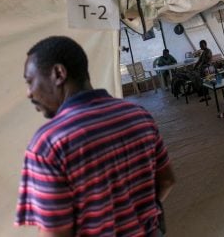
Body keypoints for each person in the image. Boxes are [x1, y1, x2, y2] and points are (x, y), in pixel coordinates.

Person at [15, 36, 175, 237]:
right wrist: (134, 214)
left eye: (30, 81)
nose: (29, 93)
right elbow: (167, 180)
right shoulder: (139, 115)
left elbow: (55, 233)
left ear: (58, 73)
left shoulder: (49, 143)